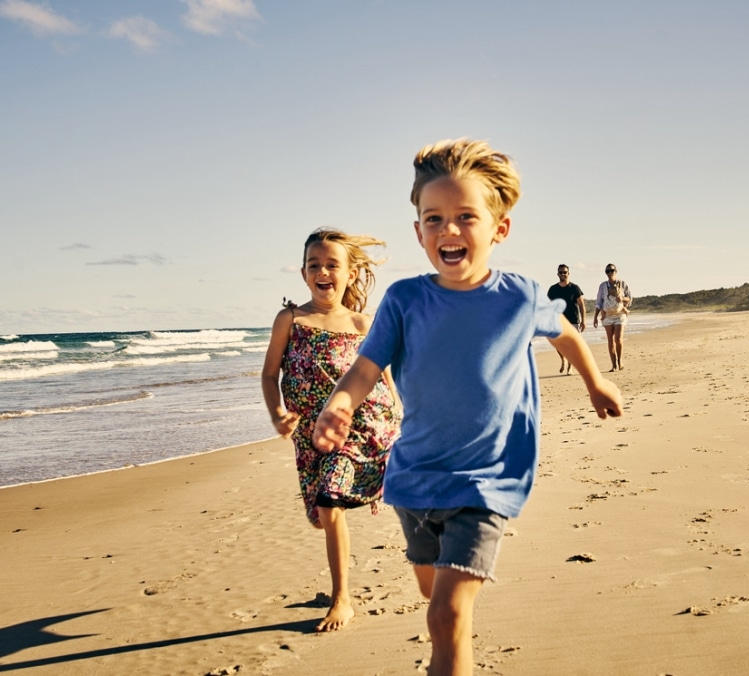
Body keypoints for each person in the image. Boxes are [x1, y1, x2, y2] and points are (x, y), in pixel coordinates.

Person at [312, 139, 623, 675]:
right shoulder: (405, 300)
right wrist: (339, 402)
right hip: (414, 481)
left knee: (447, 614)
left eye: (465, 217)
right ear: (418, 231)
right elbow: (366, 367)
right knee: (439, 612)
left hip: (486, 481)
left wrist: (596, 383)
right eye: (433, 219)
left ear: (499, 228)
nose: (448, 231)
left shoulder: (519, 296)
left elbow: (566, 331)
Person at [260, 227, 402, 632]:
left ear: (351, 273)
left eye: (332, 265)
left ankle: (343, 599)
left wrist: (401, 412)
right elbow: (270, 375)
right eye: (314, 265)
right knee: (322, 515)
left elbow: (386, 379)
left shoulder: (362, 323)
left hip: (363, 427)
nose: (323, 271)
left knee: (329, 501)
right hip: (311, 436)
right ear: (304, 274)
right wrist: (277, 413)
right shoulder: (290, 319)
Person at [546, 263, 586, 375]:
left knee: (572, 345)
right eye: (561, 272)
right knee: (558, 343)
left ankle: (570, 367)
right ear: (557, 274)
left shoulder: (574, 288)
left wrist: (583, 321)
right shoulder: (553, 289)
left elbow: (581, 305)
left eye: (565, 272)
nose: (563, 274)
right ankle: (563, 359)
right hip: (558, 321)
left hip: (573, 320)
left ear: (568, 274)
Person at [593, 263, 632, 372]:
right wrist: (595, 317)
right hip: (607, 315)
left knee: (618, 339)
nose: (610, 273)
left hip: (620, 314)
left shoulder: (623, 283)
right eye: (608, 271)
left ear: (616, 271)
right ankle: (614, 365)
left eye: (612, 270)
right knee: (610, 340)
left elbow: (629, 298)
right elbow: (599, 302)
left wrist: (622, 298)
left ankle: (619, 361)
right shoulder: (603, 286)